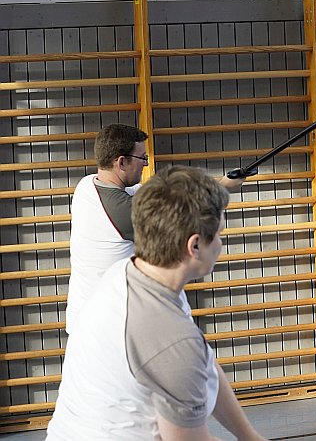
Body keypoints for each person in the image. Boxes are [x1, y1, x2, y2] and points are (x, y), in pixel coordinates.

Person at [47, 166, 268, 441]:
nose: (221, 244)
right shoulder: (171, 337)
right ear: (194, 246)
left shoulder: (130, 273)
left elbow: (205, 365)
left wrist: (250, 436)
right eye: (219, 234)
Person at [66, 123, 243, 333]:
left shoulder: (88, 185)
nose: (145, 163)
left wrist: (220, 182)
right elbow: (177, 213)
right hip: (107, 325)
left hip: (87, 317)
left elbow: (158, 194)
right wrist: (221, 189)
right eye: (142, 158)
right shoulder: (123, 212)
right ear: (121, 162)